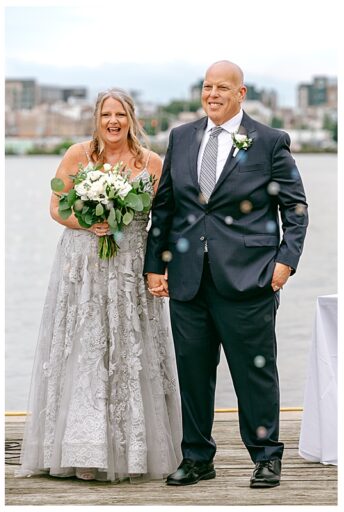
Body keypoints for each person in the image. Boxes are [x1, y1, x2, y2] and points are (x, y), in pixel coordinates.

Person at [145, 61, 308, 489]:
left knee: (255, 372)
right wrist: (154, 265)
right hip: (187, 279)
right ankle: (197, 457)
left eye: (222, 87)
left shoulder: (270, 141)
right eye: (207, 86)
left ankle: (267, 456)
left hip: (250, 277)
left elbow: (295, 208)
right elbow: (165, 209)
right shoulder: (181, 137)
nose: (212, 94)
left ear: (241, 92)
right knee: (193, 374)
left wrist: (285, 262)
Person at [17, 89, 182, 482]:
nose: (113, 121)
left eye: (120, 114)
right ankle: (82, 448)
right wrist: (87, 222)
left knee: (129, 348)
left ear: (131, 118)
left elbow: (165, 220)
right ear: (96, 118)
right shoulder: (79, 155)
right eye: (106, 114)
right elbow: (57, 207)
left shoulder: (151, 163)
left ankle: (134, 450)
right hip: (84, 268)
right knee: (87, 348)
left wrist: (162, 267)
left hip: (129, 270)